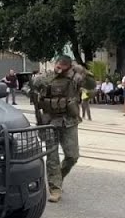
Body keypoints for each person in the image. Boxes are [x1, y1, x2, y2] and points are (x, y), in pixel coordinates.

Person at [30, 55, 96, 203]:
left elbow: (92, 86)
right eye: (57, 65)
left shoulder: (75, 78)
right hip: (49, 121)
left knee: (72, 156)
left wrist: (84, 71)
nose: (59, 68)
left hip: (69, 122)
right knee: (52, 156)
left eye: (62, 66)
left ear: (68, 67)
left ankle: (58, 176)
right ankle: (55, 188)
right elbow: (31, 85)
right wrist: (30, 90)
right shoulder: (47, 77)